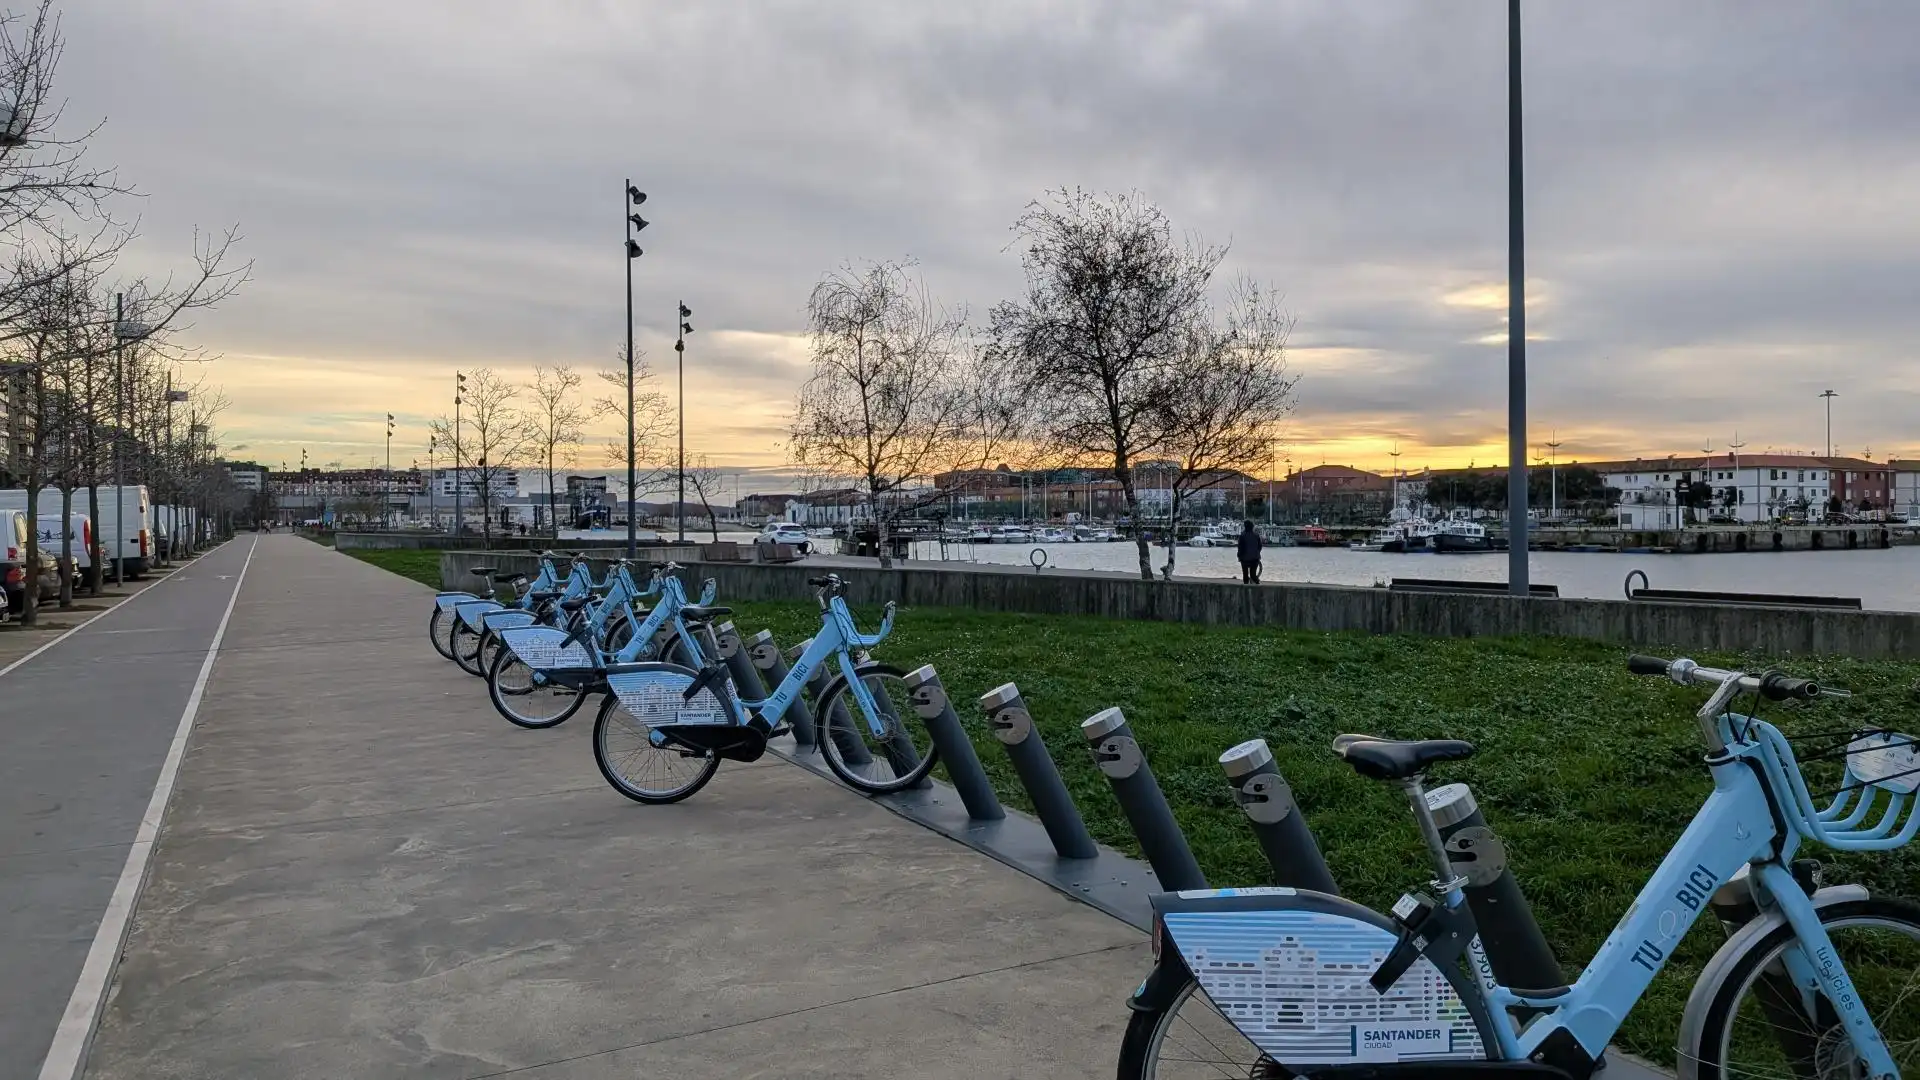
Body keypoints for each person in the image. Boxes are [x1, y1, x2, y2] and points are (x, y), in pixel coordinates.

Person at [1236, 519, 1262, 585]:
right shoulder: (1256, 535)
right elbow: (1260, 546)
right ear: (1252, 527)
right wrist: (1257, 553)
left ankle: (1246, 587)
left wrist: (1239, 556)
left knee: (1245, 575)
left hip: (1245, 559)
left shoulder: (1242, 536)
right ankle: (1259, 585)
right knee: (1253, 575)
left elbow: (1240, 548)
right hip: (1255, 559)